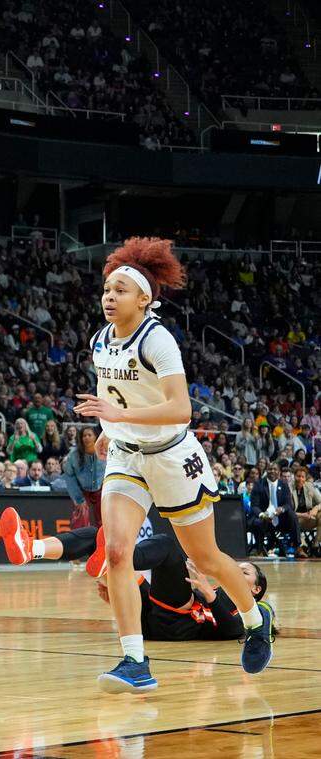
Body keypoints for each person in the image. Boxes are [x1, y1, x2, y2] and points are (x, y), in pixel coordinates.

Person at [73, 238, 273, 693]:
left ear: (144, 298)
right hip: (127, 454)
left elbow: (181, 408)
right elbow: (113, 392)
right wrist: (111, 426)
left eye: (121, 289)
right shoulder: (100, 339)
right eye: (107, 288)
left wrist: (120, 416)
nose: (109, 296)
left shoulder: (157, 339)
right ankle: (135, 661)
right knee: (118, 553)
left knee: (205, 558)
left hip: (171, 457)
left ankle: (255, 620)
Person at [0, 507, 266, 643]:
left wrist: (209, 595)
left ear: (255, 589)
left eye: (245, 572)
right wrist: (120, 597)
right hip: (153, 622)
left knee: (168, 547)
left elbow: (233, 631)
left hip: (178, 626)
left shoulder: (255, 608)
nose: (238, 571)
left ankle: (115, 557)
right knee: (99, 535)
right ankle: (32, 548)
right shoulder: (218, 590)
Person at [250, 462, 297, 557]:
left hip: (280, 518)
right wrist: (263, 515)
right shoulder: (259, 484)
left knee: (292, 515)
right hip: (264, 517)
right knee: (257, 522)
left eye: (275, 469)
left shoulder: (283, 485)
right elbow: (254, 506)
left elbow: (288, 504)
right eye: (270, 469)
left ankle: (297, 546)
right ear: (266, 471)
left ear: (279, 472)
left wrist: (282, 509)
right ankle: (259, 549)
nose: (272, 471)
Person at [62, 426, 105, 528]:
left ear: (95, 437)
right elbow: (69, 476)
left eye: (89, 435)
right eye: (84, 436)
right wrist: (78, 498)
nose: (86, 438)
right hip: (82, 491)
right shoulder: (74, 455)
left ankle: (102, 542)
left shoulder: (104, 452)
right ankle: (82, 542)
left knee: (103, 520)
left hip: (101, 491)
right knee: (81, 519)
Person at [289, 467, 320, 556]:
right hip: (295, 519)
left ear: (305, 478)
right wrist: (302, 515)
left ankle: (316, 545)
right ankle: (302, 547)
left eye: (303, 477)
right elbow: (289, 510)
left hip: (308, 517)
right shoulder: (289, 487)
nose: (300, 479)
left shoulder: (309, 486)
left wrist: (316, 508)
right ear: (294, 476)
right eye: (298, 476)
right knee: (294, 519)